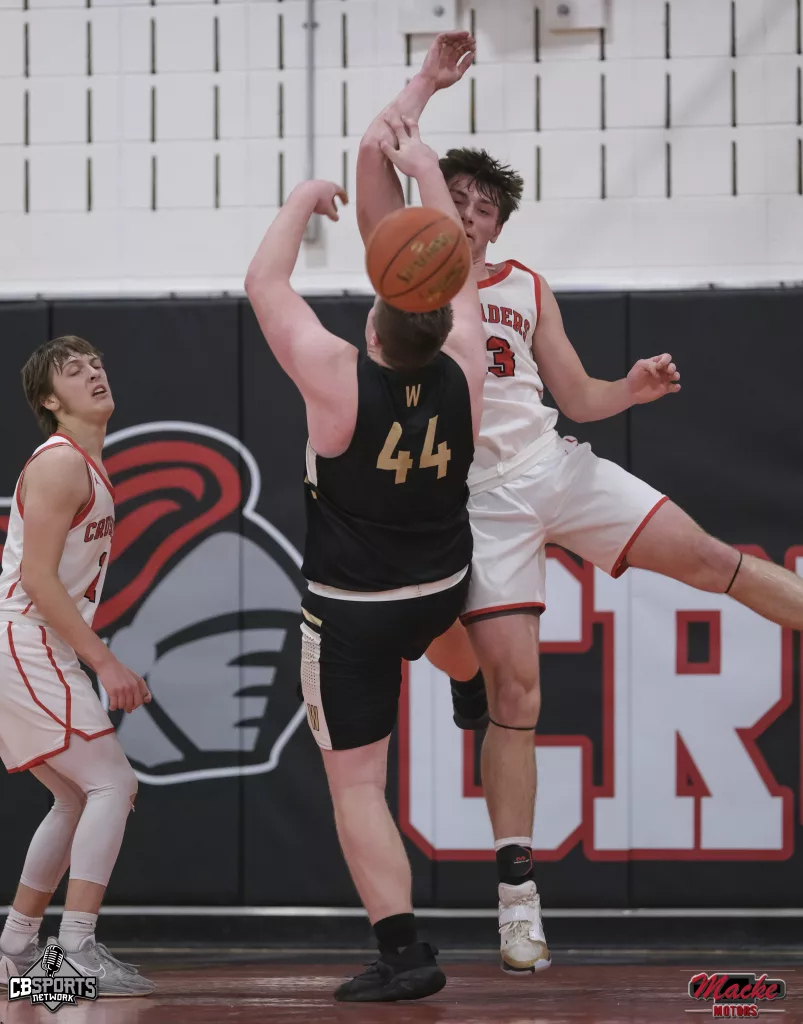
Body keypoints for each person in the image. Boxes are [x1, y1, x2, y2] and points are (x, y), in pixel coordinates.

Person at [357, 32, 803, 975]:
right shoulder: (412, 275)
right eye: (456, 197)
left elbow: (578, 395)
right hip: (478, 501)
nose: (467, 214)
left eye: (483, 207)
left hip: (553, 465)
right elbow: (377, 150)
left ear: (497, 228)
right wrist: (425, 85)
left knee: (713, 559)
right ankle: (517, 901)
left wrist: (628, 389)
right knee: (516, 694)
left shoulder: (525, 286)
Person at [245, 120, 486, 1001]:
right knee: (440, 624)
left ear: (376, 326)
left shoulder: (336, 374)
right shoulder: (467, 362)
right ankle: (472, 683)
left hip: (351, 612)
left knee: (357, 787)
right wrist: (425, 172)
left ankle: (405, 955)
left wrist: (302, 201)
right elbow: (458, 271)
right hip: (440, 586)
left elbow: (264, 284)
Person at [0, 337, 155, 997]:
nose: (94, 372)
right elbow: (37, 580)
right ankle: (75, 954)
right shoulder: (61, 463)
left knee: (74, 796)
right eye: (74, 370)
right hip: (24, 637)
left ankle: (16, 952)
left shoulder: (86, 464)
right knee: (113, 785)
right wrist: (106, 663)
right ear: (49, 399)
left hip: (37, 643)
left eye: (96, 363)